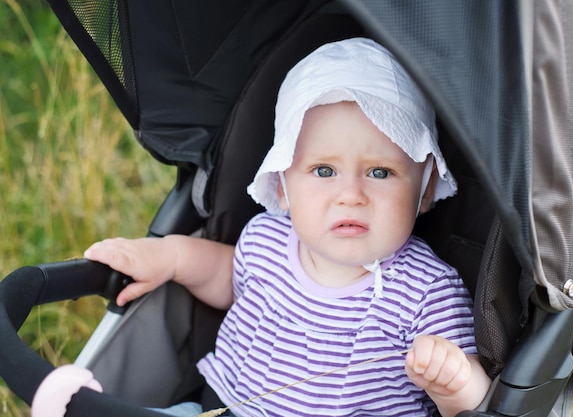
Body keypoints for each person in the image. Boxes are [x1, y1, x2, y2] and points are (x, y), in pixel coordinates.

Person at [84, 38, 491, 417]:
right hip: (225, 407)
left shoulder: (426, 291)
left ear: (424, 191)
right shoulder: (268, 240)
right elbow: (226, 275)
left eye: (380, 172)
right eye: (324, 170)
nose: (350, 195)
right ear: (282, 187)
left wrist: (455, 383)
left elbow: (474, 402)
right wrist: (169, 256)